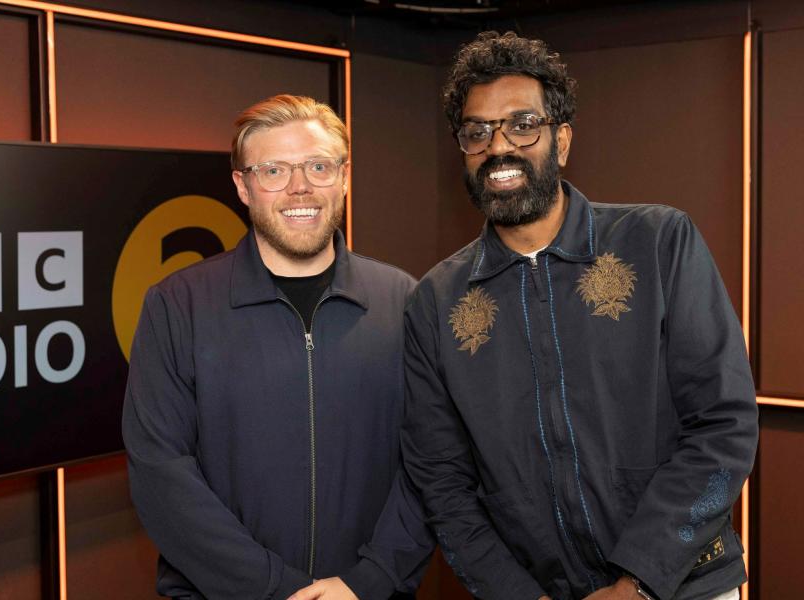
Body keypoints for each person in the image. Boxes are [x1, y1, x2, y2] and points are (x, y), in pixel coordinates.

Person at [401, 31, 758, 600]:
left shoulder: (659, 242)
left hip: (683, 585)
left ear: (561, 140)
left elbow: (724, 425)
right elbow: (442, 484)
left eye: (522, 125)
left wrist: (636, 582)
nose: (499, 148)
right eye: (477, 132)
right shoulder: (435, 302)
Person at [123, 94, 433, 600]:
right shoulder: (177, 306)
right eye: (273, 170)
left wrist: (370, 579)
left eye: (318, 166)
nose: (300, 187)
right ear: (243, 186)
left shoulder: (404, 301)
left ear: (345, 176)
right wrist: (274, 589)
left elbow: (431, 460)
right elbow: (161, 475)